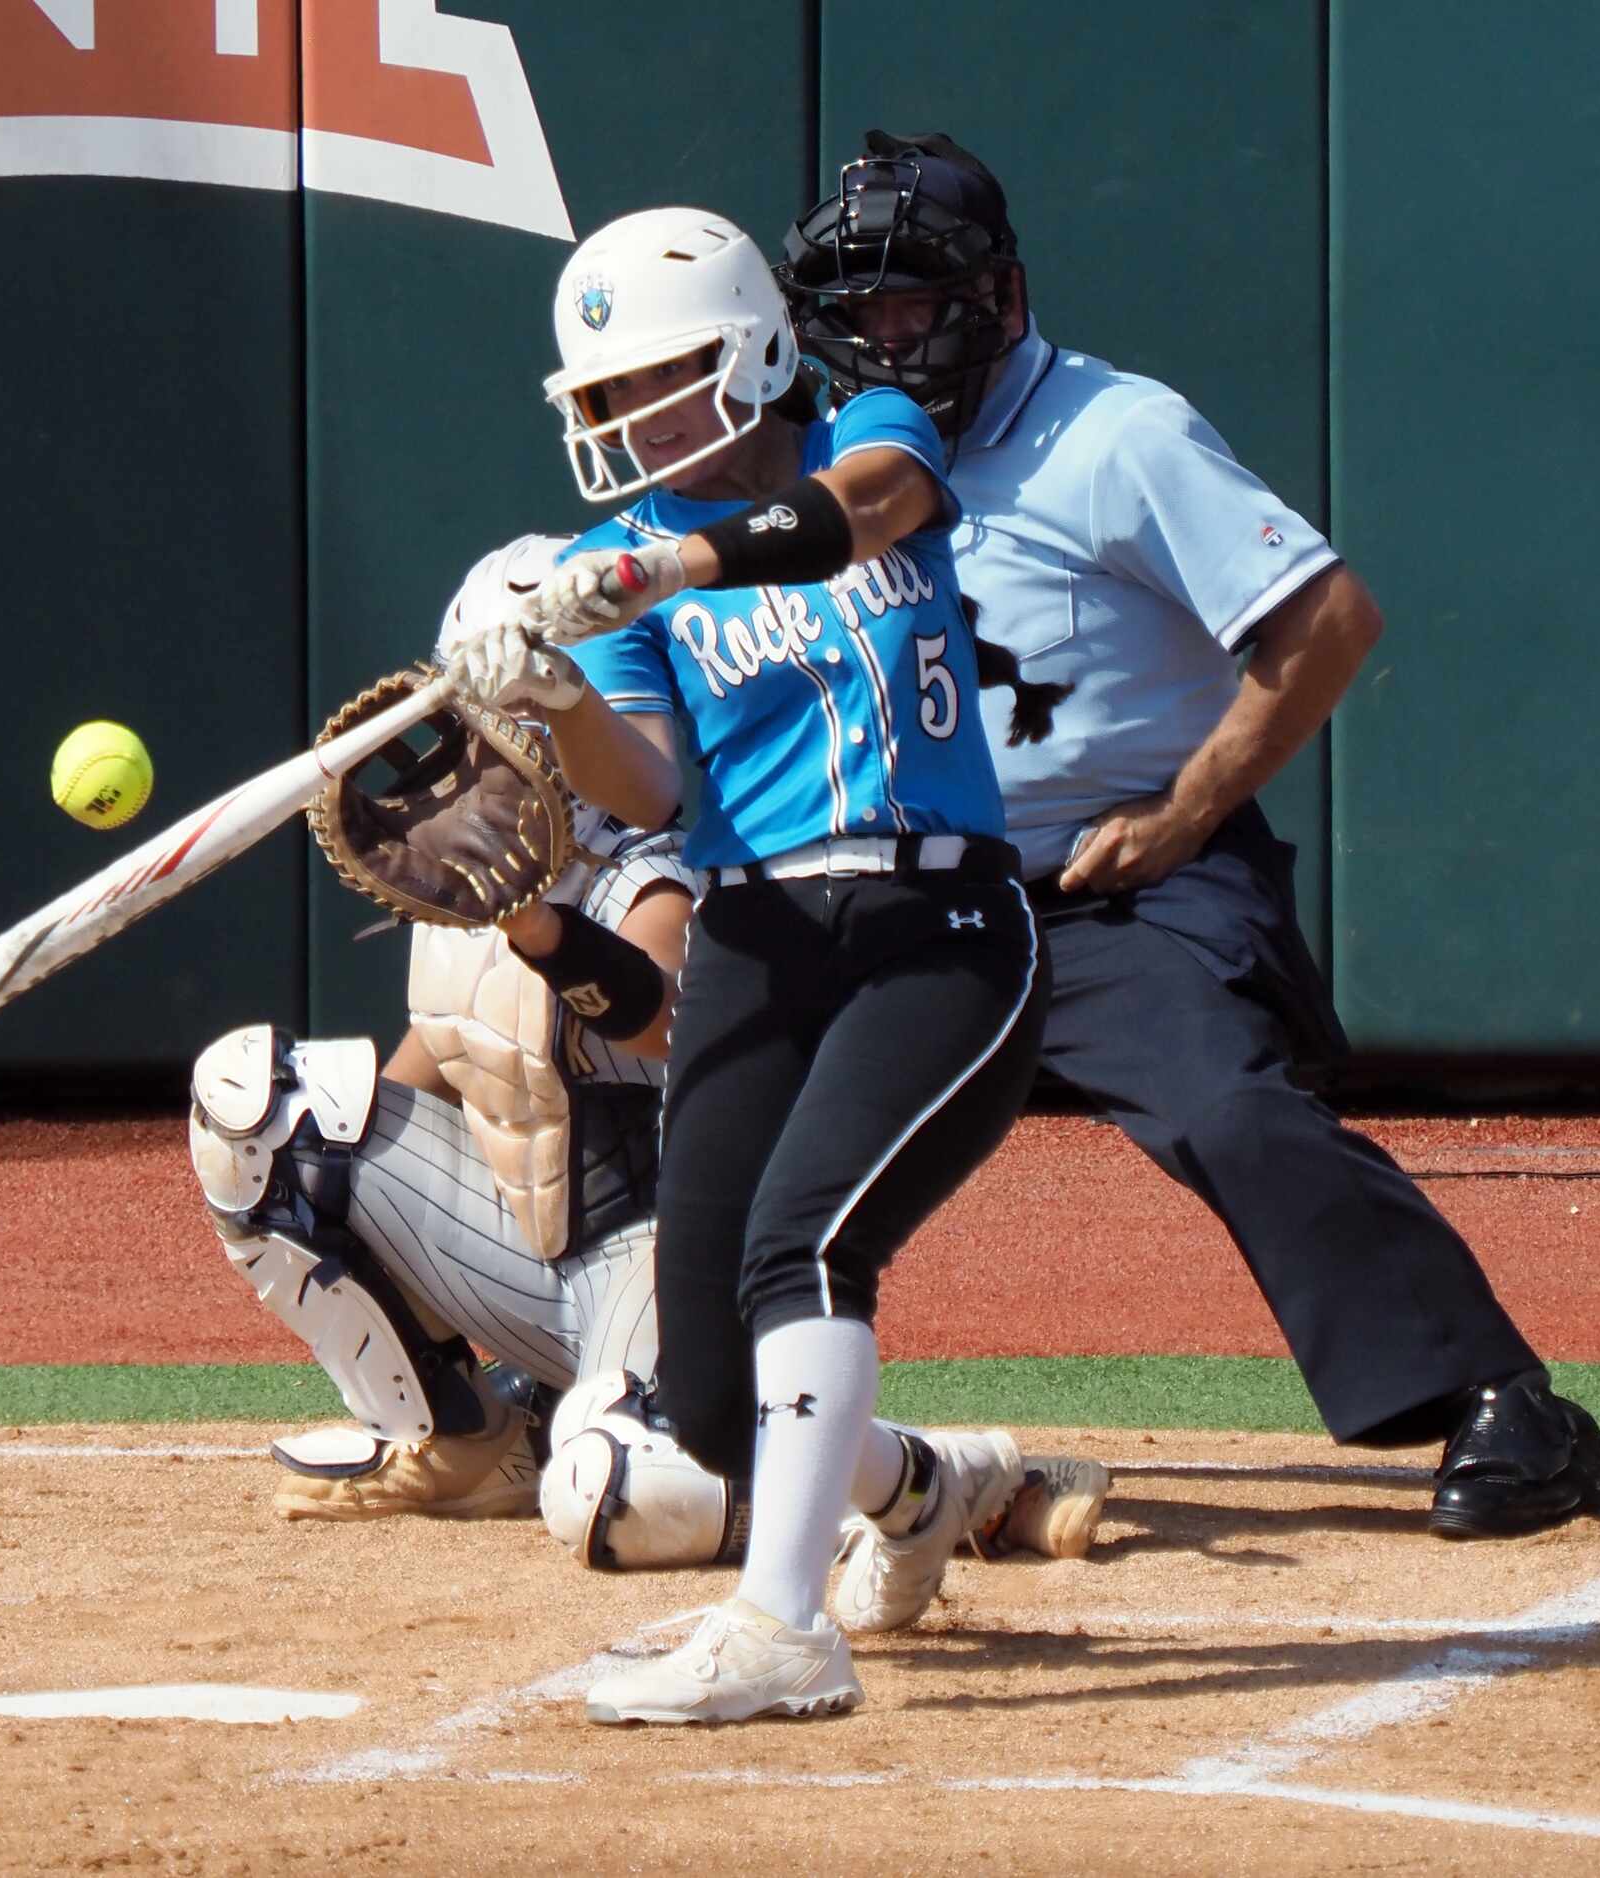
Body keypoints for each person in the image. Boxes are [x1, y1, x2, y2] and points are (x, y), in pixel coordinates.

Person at [771, 131, 1600, 1541]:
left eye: (919, 301)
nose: (890, 336)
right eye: (862, 312)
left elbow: (1326, 621)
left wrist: (1184, 814)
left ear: (1006, 296)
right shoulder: (827, 465)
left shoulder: (1119, 435)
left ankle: (1504, 1401)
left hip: (1112, 891)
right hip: (914, 888)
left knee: (1223, 1101)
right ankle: (616, 1374)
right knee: (703, 1054)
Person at [190, 532, 1107, 1580]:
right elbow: (441, 1056)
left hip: (655, 1265)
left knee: (611, 1498)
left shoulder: (659, 862)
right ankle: (461, 1439)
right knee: (259, 1110)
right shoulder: (469, 867)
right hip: (530, 1259)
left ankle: (959, 1480)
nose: (496, 736)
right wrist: (345, 1213)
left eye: (525, 706)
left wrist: (542, 930)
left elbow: (664, 1015)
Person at [446, 207, 1050, 1726]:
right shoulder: (612, 565)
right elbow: (647, 791)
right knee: (710, 1399)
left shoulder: (875, 429)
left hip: (939, 923)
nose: (622, 422)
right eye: (599, 401)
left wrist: (667, 569)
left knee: (806, 1247)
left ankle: (781, 1626)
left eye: (652, 381)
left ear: (754, 349)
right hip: (756, 937)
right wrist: (555, 686)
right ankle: (919, 1485)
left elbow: (858, 514)